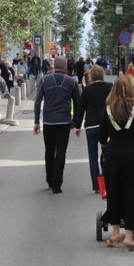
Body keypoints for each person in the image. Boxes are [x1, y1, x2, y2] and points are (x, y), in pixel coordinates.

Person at [98, 76, 134, 251]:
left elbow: (101, 137)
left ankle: (115, 233)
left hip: (114, 157)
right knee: (132, 194)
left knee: (113, 193)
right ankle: (128, 236)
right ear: (130, 90)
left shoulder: (108, 110)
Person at [33, 56, 81, 194]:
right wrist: (76, 121)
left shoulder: (44, 80)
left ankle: (49, 178)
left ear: (54, 66)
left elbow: (37, 101)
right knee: (61, 152)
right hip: (64, 122)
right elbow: (77, 103)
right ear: (66, 67)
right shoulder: (71, 82)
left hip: (48, 121)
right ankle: (57, 184)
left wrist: (36, 121)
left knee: (49, 151)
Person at [73, 65, 113, 193]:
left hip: (90, 126)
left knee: (92, 156)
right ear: (102, 74)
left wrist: (77, 126)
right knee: (108, 154)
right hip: (105, 125)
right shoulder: (109, 87)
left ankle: (97, 186)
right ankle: (108, 181)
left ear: (91, 76)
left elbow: (81, 109)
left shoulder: (87, 90)